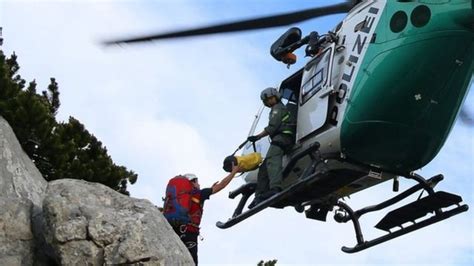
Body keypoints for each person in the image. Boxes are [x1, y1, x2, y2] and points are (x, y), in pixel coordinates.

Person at [167, 164, 240, 265]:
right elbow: (222, 185)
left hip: (175, 231)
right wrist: (234, 172)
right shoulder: (200, 194)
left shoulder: (181, 196)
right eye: (197, 181)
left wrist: (210, 188)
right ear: (192, 182)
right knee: (191, 262)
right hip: (190, 233)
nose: (199, 184)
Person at [247, 87, 295, 208]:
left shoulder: (278, 108)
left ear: (276, 96)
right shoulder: (275, 108)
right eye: (267, 101)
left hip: (284, 137)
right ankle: (259, 195)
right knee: (264, 167)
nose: (269, 102)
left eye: (270, 99)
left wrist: (257, 137)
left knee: (272, 159)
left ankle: (275, 188)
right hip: (279, 138)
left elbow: (272, 127)